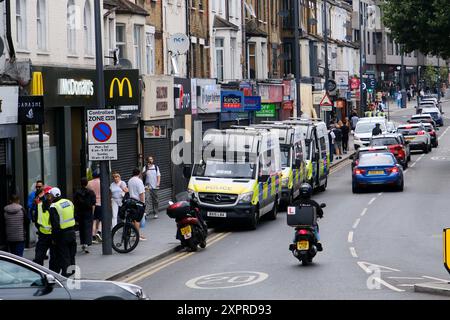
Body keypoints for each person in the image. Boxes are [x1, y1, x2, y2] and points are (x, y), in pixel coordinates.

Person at [48, 187, 77, 277]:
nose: (49, 197)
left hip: (62, 234)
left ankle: (66, 273)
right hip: (72, 231)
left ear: (53, 196)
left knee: (64, 255)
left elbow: (55, 224)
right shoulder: (68, 202)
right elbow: (74, 214)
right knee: (71, 253)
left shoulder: (54, 206)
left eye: (50, 195)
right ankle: (72, 270)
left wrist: (54, 238)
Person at [291, 183, 324, 251]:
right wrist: (320, 215)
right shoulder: (313, 203)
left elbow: (290, 212)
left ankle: (294, 243)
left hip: (299, 224)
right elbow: (320, 212)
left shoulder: (296, 203)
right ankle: (318, 242)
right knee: (315, 229)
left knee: (296, 231)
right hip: (310, 225)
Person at [33, 185, 56, 269]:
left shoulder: (57, 205)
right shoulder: (39, 205)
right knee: (39, 258)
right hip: (43, 235)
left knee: (54, 258)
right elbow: (36, 220)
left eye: (50, 194)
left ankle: (53, 275)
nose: (49, 197)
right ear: (45, 195)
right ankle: (39, 274)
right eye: (47, 195)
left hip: (55, 235)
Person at [73, 177, 96, 253]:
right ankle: (87, 243)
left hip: (80, 212)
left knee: (81, 228)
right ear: (87, 183)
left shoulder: (77, 192)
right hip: (88, 212)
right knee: (88, 228)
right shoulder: (91, 192)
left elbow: (75, 203)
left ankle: (83, 242)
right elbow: (93, 203)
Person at [128, 168, 147, 241]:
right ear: (139, 173)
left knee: (133, 220)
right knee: (137, 220)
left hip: (131, 201)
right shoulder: (139, 181)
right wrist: (143, 203)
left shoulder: (130, 180)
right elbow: (141, 193)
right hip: (138, 202)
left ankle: (136, 234)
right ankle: (137, 236)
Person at [87, 169, 102, 243]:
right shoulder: (102, 182)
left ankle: (93, 236)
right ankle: (98, 232)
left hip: (92, 204)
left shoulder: (89, 183)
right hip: (100, 203)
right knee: (101, 219)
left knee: (93, 220)